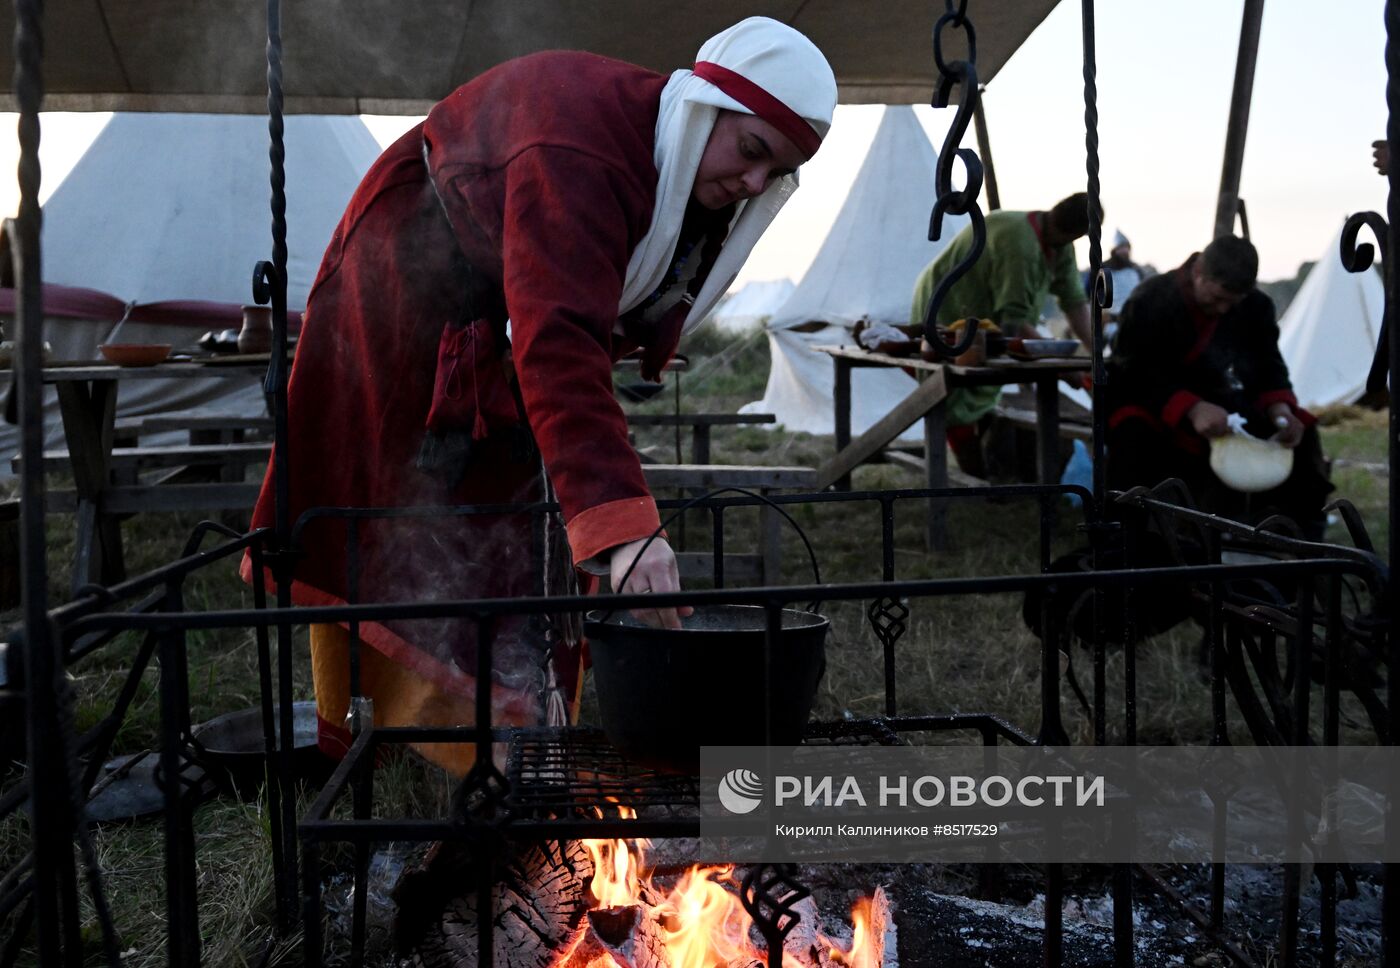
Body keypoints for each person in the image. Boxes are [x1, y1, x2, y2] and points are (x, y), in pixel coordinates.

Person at [242, 18, 837, 772]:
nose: (753, 184)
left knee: (518, 528)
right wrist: (627, 528)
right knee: (399, 520)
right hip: (407, 295)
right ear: (703, 110)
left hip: (491, 319)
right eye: (751, 151)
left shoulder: (655, 150)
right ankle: (426, 757)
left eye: (773, 173)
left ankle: (510, 749)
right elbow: (558, 339)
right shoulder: (578, 150)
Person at [1105, 235, 1332, 537]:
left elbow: (1267, 364)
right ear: (1199, 272)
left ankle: (1292, 538)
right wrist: (1191, 407)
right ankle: (1126, 537)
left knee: (1300, 434)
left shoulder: (1255, 307)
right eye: (1217, 298)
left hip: (1215, 398)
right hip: (1148, 397)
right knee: (1132, 438)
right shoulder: (1149, 300)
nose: (1224, 309)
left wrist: (1280, 407)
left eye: (1232, 302)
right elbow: (1131, 369)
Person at [908, 193, 1092, 477]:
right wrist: (1062, 365)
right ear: (1078, 231)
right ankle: (975, 480)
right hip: (945, 307)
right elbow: (1014, 322)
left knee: (981, 392)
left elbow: (1074, 301)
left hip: (983, 319)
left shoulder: (1060, 245)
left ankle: (989, 474)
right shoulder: (1019, 243)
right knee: (953, 391)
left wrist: (1097, 352)